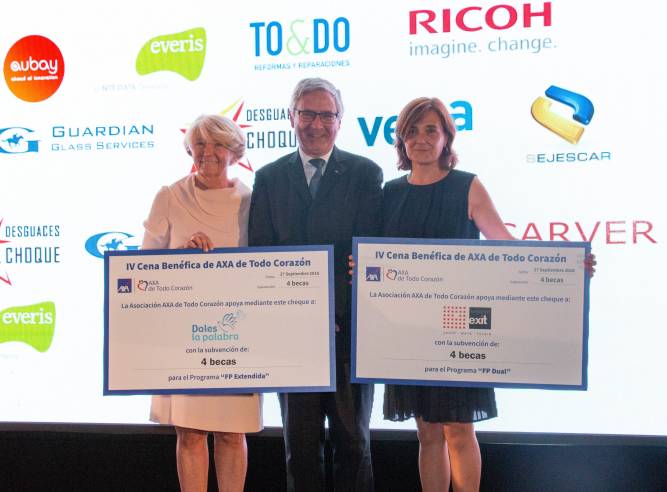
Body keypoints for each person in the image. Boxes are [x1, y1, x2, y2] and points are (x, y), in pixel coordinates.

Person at [381, 97, 595, 492]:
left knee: (459, 430)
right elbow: (377, 260)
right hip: (410, 334)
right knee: (427, 433)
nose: (421, 139)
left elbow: (507, 248)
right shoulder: (389, 193)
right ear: (401, 139)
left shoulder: (467, 186)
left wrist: (566, 270)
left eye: (431, 130)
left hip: (459, 330)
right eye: (412, 131)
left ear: (446, 137)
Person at [248, 78, 383, 491]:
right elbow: (260, 254)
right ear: (292, 117)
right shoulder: (269, 178)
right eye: (307, 113)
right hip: (293, 339)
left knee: (353, 445)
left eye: (326, 114)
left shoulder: (365, 173)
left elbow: (369, 255)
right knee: (300, 450)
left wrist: (339, 309)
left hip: (349, 336)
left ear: (340, 120)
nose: (316, 124)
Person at [142, 114, 262, 492]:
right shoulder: (169, 196)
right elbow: (142, 269)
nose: (207, 153)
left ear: (234, 151)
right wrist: (180, 254)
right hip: (185, 337)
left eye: (218, 144)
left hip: (238, 338)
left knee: (232, 433)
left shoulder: (252, 201)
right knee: (190, 433)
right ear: (189, 149)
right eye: (200, 144)